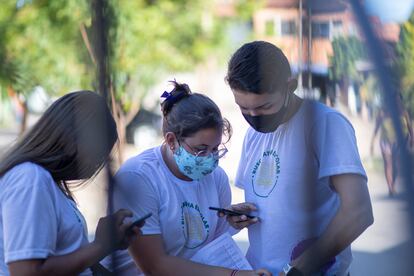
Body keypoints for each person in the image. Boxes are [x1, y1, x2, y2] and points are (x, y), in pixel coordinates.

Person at [223, 41, 373, 276]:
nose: (253, 117)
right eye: (244, 108)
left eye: (264, 106)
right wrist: (242, 216)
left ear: (290, 86)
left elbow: (359, 212)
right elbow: (275, 203)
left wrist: (298, 270)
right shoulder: (253, 135)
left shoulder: (324, 123)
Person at [108, 81, 270, 276]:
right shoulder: (137, 178)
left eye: (215, 149)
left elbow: (212, 252)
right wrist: (235, 275)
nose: (209, 159)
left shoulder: (216, 177)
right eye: (200, 150)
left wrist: (229, 222)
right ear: (171, 141)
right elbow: (154, 266)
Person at [0, 91, 141, 276]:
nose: (98, 165)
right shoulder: (30, 178)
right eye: (99, 155)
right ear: (73, 141)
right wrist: (101, 245)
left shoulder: (47, 182)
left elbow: (66, 260)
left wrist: (106, 244)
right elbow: (26, 271)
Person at [370, 94, 413, 195]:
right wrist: (372, 143)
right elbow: (376, 128)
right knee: (388, 164)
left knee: (396, 166)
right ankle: (390, 187)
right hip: (385, 141)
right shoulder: (382, 113)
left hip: (400, 142)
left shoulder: (404, 113)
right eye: (394, 100)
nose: (396, 102)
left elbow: (410, 127)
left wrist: (412, 138)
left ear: (400, 102)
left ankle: (392, 183)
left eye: (398, 101)